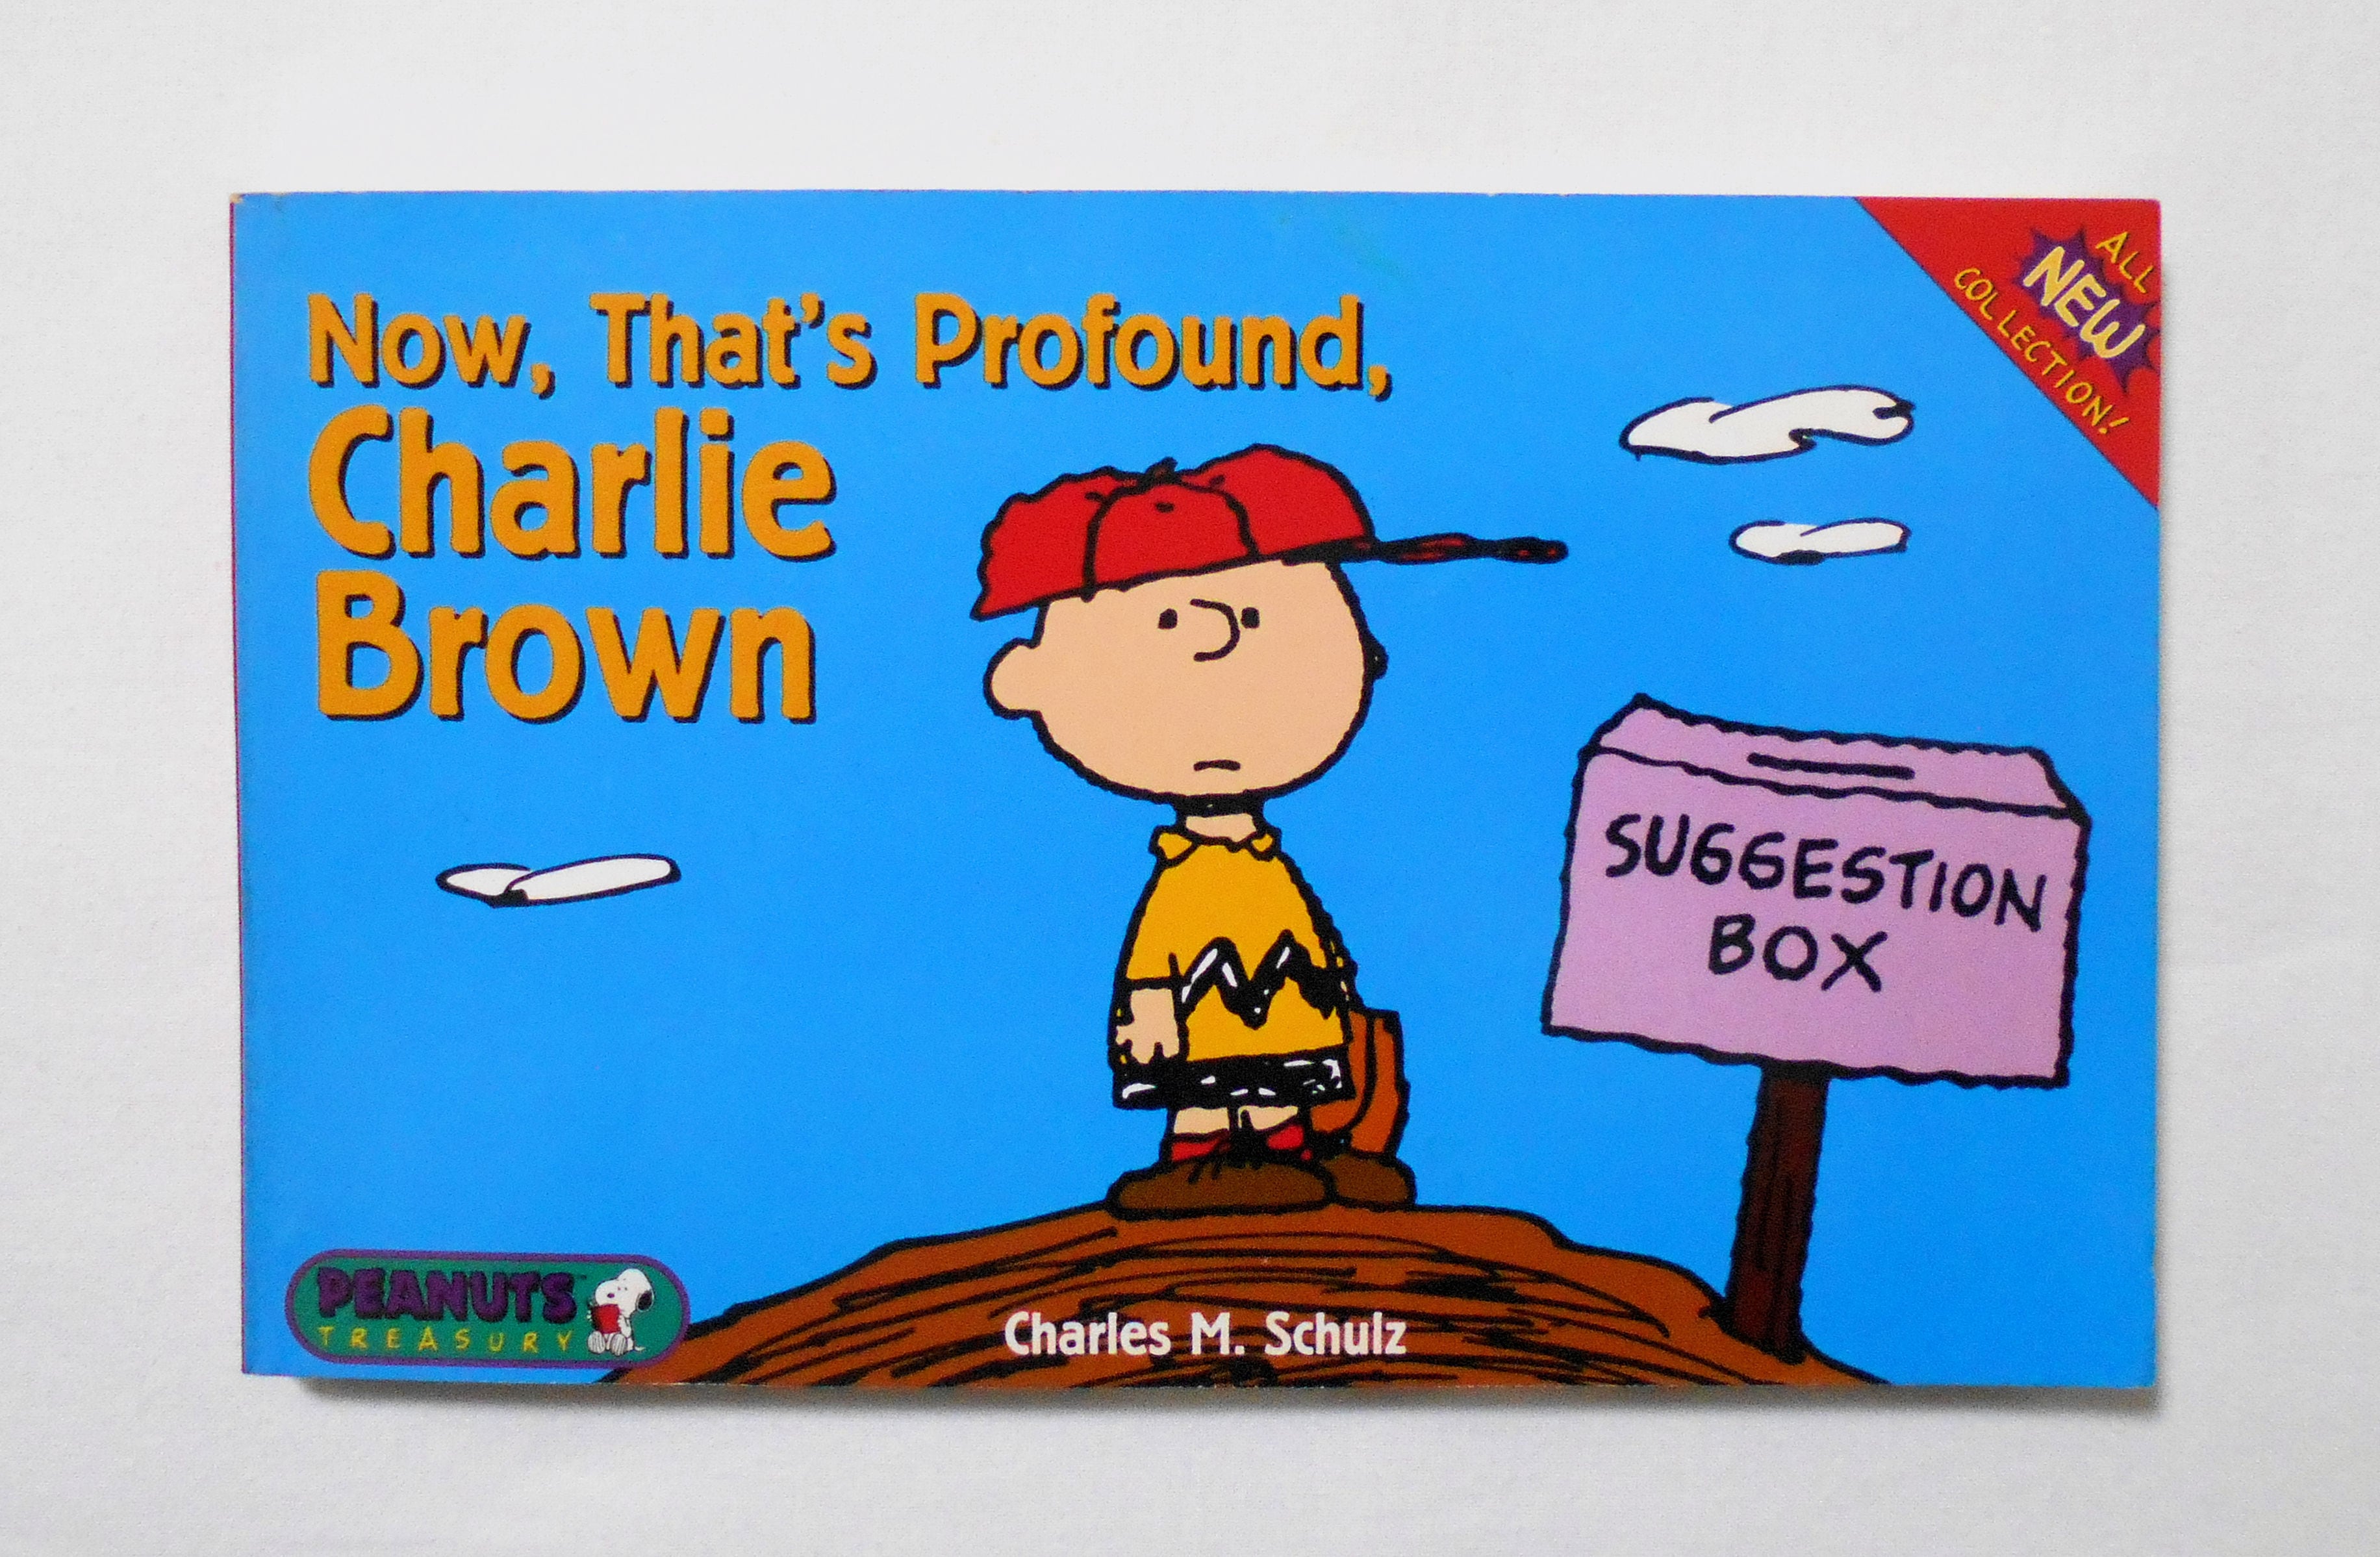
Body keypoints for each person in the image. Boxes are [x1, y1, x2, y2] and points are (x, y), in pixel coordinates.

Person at [975, 445, 1563, 1215]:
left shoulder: (1261, 864)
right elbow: (1160, 944)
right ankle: (1199, 1165)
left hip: (1289, 1006)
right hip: (1204, 1015)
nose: (1214, 645)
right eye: (1164, 624)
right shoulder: (1189, 875)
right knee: (1205, 1098)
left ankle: (1290, 1155)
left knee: (1280, 1089)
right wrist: (1150, 1007)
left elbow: (1300, 927)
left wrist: (1335, 981)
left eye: (1257, 622)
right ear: (1028, 681)